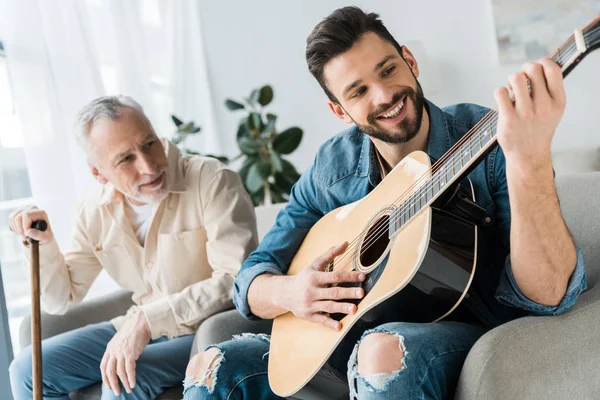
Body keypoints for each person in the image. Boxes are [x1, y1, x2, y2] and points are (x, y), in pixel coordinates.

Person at [182, 6, 587, 400]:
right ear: (339, 111)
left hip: (456, 329)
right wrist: (292, 293)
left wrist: (528, 160)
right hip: (343, 342)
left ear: (409, 60)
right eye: (358, 91)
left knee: (380, 350)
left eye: (388, 69)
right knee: (211, 364)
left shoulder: (493, 137)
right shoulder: (332, 168)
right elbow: (250, 279)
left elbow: (547, 293)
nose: (384, 95)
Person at [9, 95, 258, 400]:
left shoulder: (213, 181)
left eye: (150, 143)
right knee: (26, 369)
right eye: (126, 159)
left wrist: (146, 320)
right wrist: (44, 246)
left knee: (121, 380)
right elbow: (61, 299)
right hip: (137, 329)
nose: (149, 166)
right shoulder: (94, 212)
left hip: (205, 329)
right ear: (98, 173)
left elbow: (236, 280)